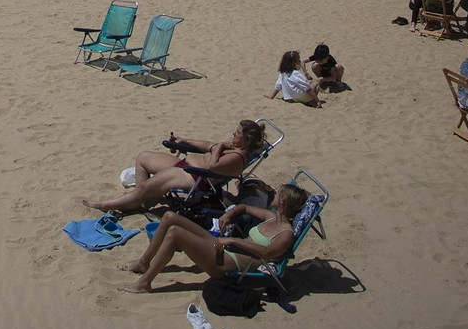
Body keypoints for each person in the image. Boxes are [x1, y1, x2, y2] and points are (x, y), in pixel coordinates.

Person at [119, 183, 310, 293]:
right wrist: (230, 213)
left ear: (284, 202)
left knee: (175, 233)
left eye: (278, 194)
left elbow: (267, 253)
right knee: (170, 217)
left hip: (230, 264)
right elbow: (244, 208)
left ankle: (145, 283)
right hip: (225, 250)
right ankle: (144, 262)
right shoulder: (271, 217)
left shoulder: (285, 234)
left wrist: (234, 240)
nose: (274, 194)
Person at [82, 120, 266, 215]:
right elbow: (209, 145)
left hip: (194, 176)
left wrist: (219, 147)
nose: (233, 133)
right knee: (143, 158)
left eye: (238, 133)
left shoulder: (237, 156)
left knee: (146, 188)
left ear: (246, 140)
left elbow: (213, 165)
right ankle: (142, 198)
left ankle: (107, 204)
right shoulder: (234, 148)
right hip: (187, 166)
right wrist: (184, 140)